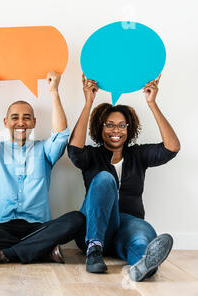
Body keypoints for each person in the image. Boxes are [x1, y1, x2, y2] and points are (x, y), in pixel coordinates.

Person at [0, 71, 86, 266]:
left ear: (34, 122)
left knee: (77, 219)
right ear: (6, 122)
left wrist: (54, 91)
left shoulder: (45, 150)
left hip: (38, 227)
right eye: (15, 117)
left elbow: (61, 135)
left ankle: (3, 254)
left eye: (27, 118)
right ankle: (41, 250)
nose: (21, 122)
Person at [68, 74, 180, 281]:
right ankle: (94, 250)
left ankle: (142, 266)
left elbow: (171, 148)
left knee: (142, 238)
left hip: (128, 224)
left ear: (129, 129)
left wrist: (152, 103)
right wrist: (88, 102)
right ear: (100, 128)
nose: (116, 130)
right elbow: (74, 149)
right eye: (109, 125)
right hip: (94, 225)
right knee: (104, 178)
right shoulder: (92, 156)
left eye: (122, 125)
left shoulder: (138, 155)